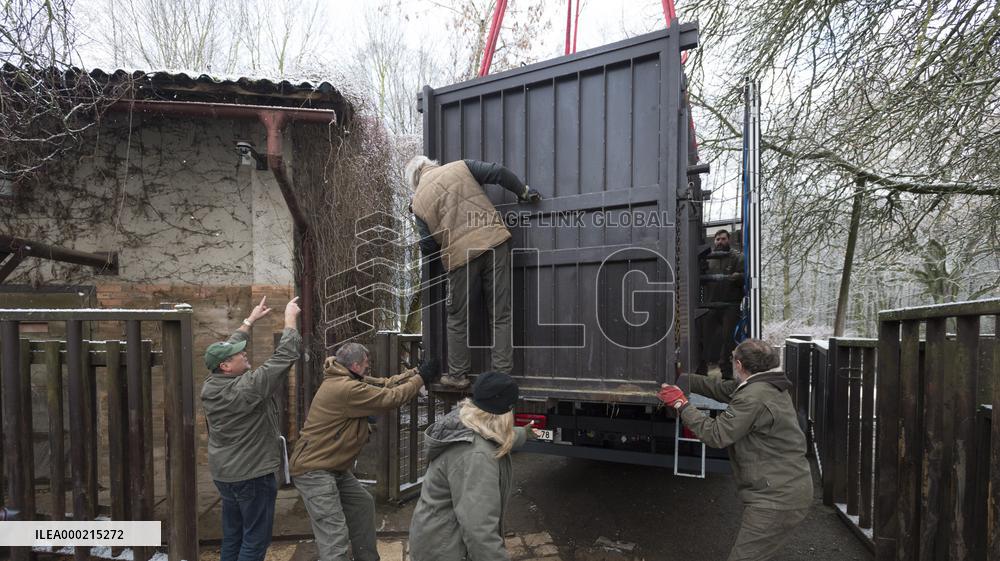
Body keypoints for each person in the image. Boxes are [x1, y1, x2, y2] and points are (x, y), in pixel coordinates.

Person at [659, 339, 812, 561]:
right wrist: (681, 379)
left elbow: (716, 434)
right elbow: (720, 389)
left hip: (777, 499)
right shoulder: (765, 385)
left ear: (739, 364)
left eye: (732, 359)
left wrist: (681, 404)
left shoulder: (753, 397)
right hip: (786, 488)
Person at [290, 343, 440, 561]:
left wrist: (416, 372)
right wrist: (421, 380)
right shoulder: (346, 388)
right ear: (356, 364)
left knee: (362, 505)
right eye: (367, 365)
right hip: (314, 470)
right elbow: (392, 398)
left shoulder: (347, 376)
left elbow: (385, 384)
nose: (369, 368)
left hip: (332, 466)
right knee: (334, 534)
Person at [406, 156, 542, 389]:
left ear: (414, 179)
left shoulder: (418, 201)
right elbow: (498, 172)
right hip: (494, 242)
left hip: (460, 257)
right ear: (430, 164)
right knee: (501, 313)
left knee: (457, 317)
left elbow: (428, 248)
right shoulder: (461, 166)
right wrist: (523, 191)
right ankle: (501, 375)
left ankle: (458, 375)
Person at [201, 296, 301, 561]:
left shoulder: (211, 385)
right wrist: (290, 318)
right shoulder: (246, 389)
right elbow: (285, 356)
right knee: (255, 540)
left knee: (233, 535)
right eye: (239, 355)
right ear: (226, 366)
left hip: (225, 475)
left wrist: (250, 320)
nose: (244, 353)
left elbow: (231, 345)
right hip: (252, 476)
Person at [408, 371, 535, 561]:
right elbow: (480, 531)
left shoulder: (465, 419)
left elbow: (495, 435)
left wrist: (524, 433)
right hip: (447, 552)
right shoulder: (477, 456)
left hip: (436, 542)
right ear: (504, 412)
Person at [703, 229, 744, 379]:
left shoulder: (738, 257)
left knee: (728, 341)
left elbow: (746, 276)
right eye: (717, 239)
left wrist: (738, 276)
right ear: (714, 241)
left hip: (730, 305)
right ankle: (701, 370)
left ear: (729, 240)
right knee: (703, 338)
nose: (720, 242)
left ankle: (726, 373)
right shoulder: (708, 259)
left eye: (723, 239)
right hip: (711, 305)